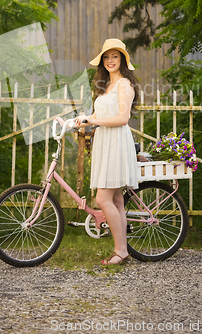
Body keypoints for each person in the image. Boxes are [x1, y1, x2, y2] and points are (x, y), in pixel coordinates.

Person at [74, 38, 139, 265]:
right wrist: (83, 120)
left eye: (115, 56)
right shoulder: (105, 86)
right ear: (102, 61)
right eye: (107, 56)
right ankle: (123, 251)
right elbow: (98, 115)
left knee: (103, 198)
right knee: (117, 201)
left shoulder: (124, 85)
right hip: (105, 141)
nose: (110, 60)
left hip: (117, 142)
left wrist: (94, 121)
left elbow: (122, 118)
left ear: (122, 60)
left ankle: (120, 250)